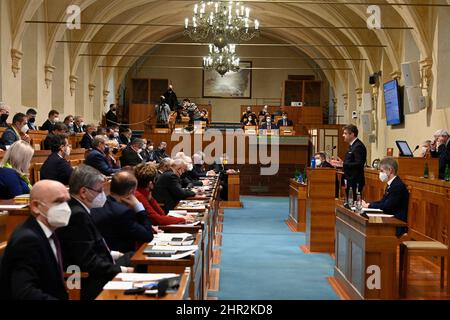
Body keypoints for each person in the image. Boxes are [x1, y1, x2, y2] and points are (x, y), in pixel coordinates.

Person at [56, 165, 134, 300]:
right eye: (99, 190)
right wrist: (123, 271)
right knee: (139, 265)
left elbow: (90, 247)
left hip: (99, 267)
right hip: (89, 280)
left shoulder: (78, 209)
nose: (102, 194)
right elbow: (88, 262)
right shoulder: (77, 215)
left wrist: (115, 255)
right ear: (84, 192)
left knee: (133, 256)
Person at [0, 180, 71, 300]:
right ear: (36, 206)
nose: (65, 207)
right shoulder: (27, 240)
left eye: (66, 202)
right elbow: (25, 293)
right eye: (58, 201)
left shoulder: (48, 231)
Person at [91, 171, 153, 253]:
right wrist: (138, 207)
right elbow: (148, 236)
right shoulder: (123, 212)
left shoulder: (99, 205)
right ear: (130, 192)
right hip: (122, 259)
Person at [362, 157, 409, 236]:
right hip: (390, 217)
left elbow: (386, 206)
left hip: (396, 222)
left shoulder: (397, 185)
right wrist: (368, 204)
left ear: (390, 170)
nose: (380, 174)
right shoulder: (392, 184)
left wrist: (369, 205)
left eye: (381, 171)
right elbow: (383, 202)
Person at [331, 124, 367, 196]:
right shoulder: (352, 146)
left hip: (355, 180)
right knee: (349, 202)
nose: (343, 135)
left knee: (353, 202)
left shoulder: (358, 146)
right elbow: (350, 161)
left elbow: (359, 164)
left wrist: (342, 164)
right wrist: (342, 163)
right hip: (349, 179)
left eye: (345, 133)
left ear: (352, 134)